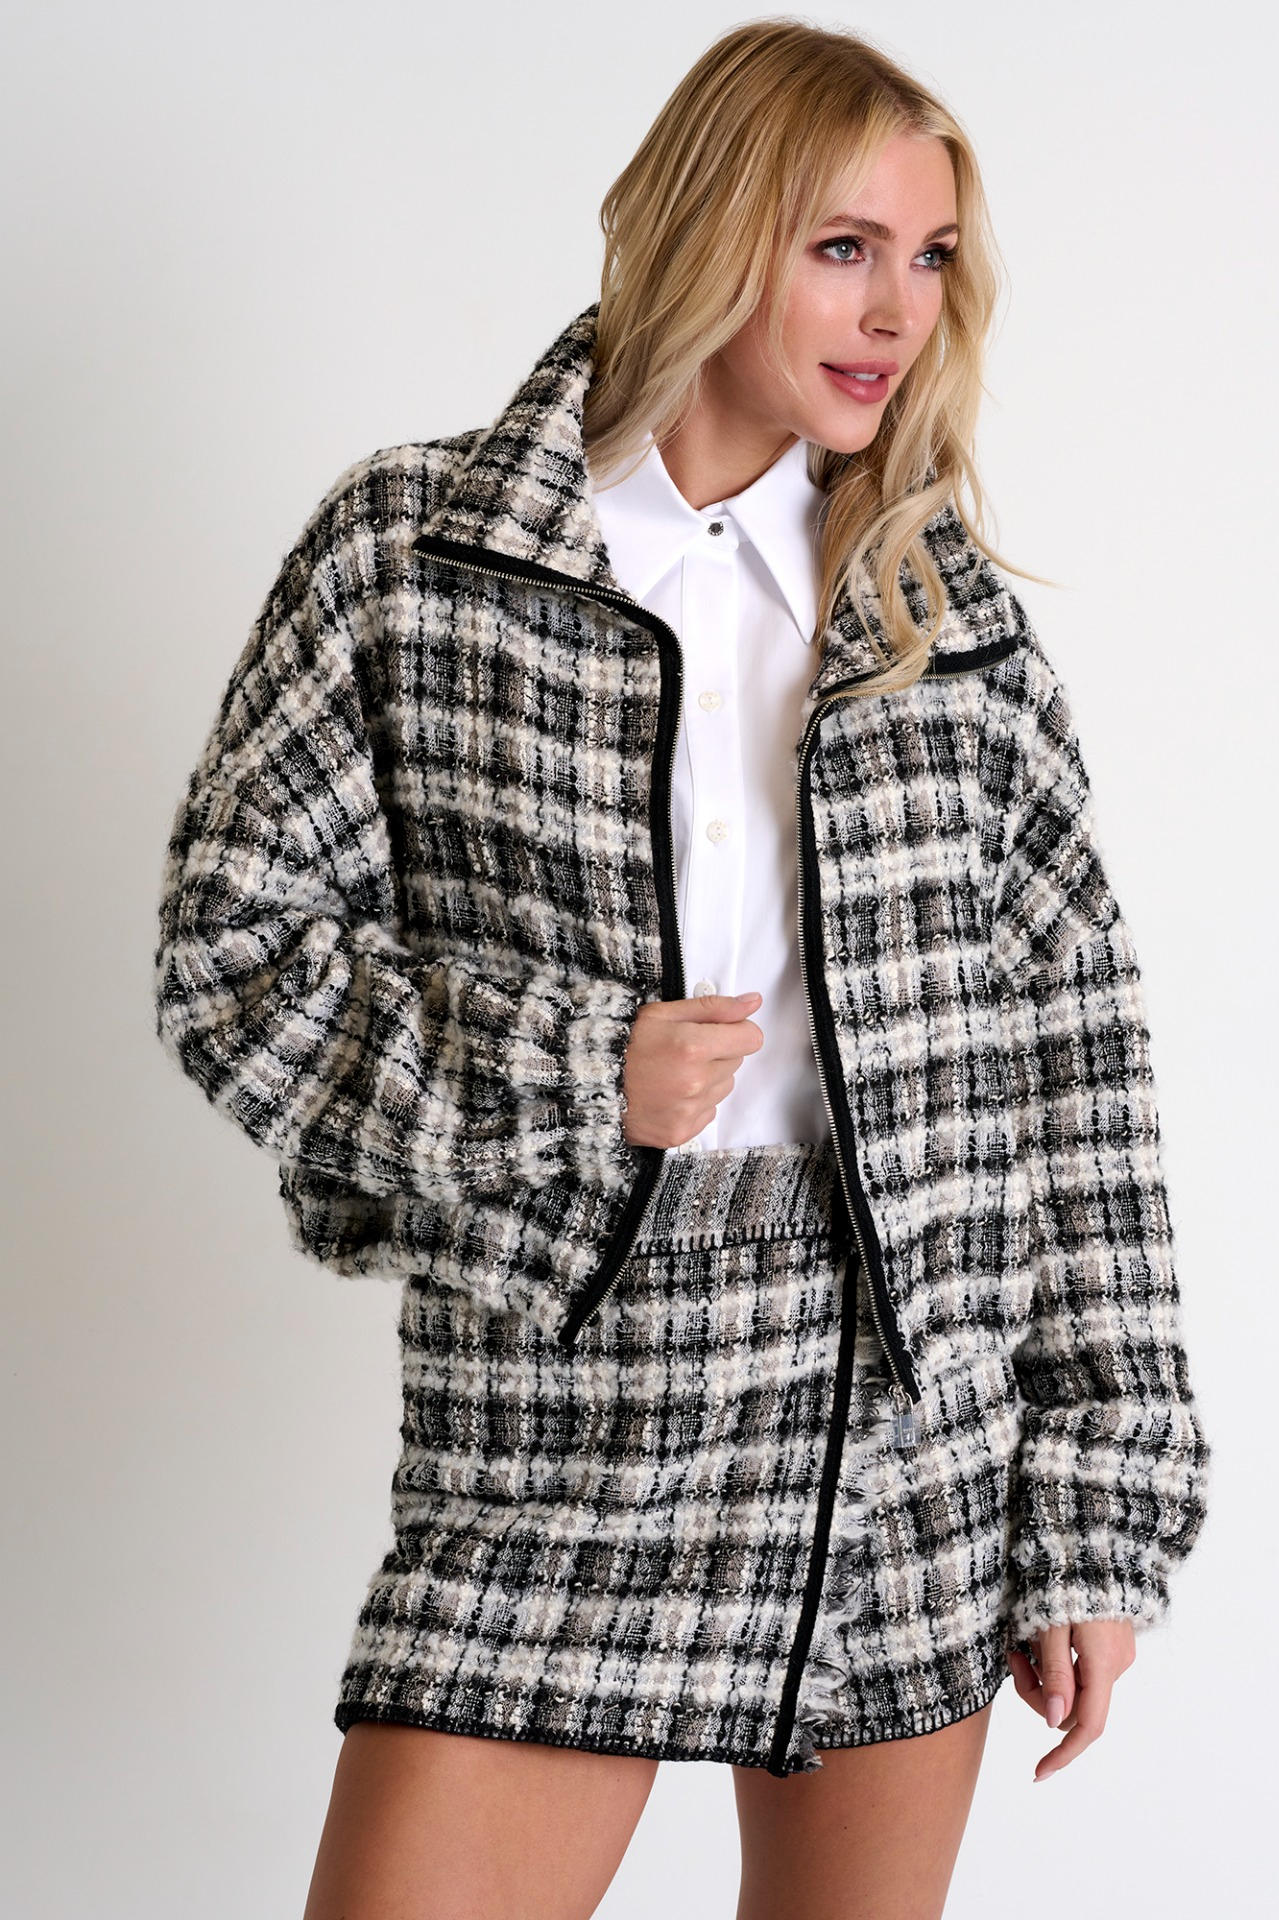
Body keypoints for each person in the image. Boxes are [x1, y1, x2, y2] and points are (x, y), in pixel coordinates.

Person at [153, 18, 1211, 1920]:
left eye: (930, 256)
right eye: (842, 246)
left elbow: (1078, 1068)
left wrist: (1095, 1513)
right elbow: (233, 959)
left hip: (906, 1421)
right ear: (711, 230)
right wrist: (572, 1074)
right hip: (566, 1405)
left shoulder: (938, 613)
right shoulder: (419, 557)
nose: (895, 310)